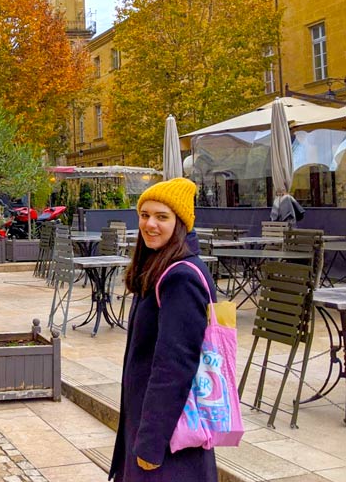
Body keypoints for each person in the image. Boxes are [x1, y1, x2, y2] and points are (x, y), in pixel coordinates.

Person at [109, 177, 217, 482]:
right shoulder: (159, 267)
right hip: (153, 423)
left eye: (162, 217)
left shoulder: (180, 277)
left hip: (169, 436)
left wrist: (151, 443)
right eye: (145, 215)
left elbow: (175, 366)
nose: (150, 224)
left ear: (180, 223)